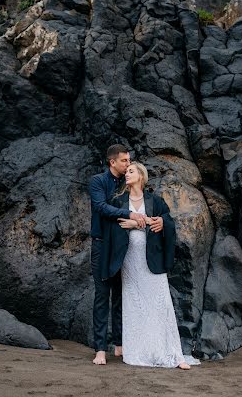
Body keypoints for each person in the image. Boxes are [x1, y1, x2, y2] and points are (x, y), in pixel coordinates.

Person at [101, 162, 200, 369]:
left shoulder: (154, 200)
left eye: (131, 171)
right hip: (129, 261)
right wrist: (138, 221)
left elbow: (168, 220)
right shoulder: (118, 201)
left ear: (141, 176)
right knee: (135, 305)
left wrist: (146, 222)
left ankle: (174, 354)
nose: (127, 174)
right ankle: (140, 351)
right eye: (126, 171)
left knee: (160, 303)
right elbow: (114, 225)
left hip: (152, 259)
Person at [89, 145, 155, 365]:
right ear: (112, 162)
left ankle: (119, 345)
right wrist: (130, 214)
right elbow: (101, 207)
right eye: (125, 161)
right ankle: (100, 349)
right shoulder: (98, 181)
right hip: (101, 245)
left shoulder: (128, 184)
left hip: (121, 247)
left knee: (119, 297)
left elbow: (149, 207)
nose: (128, 164)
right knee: (101, 296)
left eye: (129, 161)